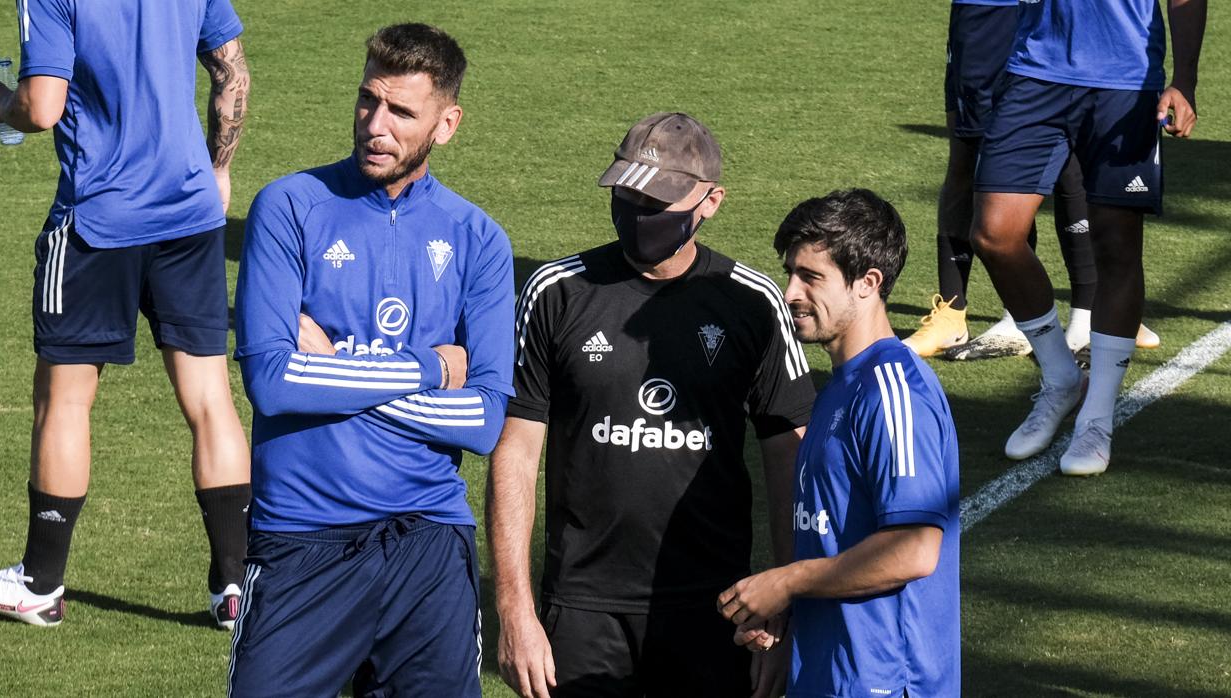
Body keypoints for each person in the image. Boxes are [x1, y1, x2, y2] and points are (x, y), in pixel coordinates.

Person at [228, 23, 512, 696]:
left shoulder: (479, 241)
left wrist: (331, 375)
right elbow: (272, 382)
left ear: (447, 124)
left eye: (401, 112)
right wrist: (431, 370)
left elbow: (482, 422)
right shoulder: (289, 208)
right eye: (367, 101)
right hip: (302, 542)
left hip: (430, 548)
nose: (375, 125)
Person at [489, 112, 815, 698]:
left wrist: (783, 602)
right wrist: (515, 608)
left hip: (717, 608)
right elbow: (516, 451)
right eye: (626, 193)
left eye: (656, 199)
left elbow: (789, 458)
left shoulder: (753, 302)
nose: (637, 212)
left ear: (710, 201)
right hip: (583, 607)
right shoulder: (556, 293)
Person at [0, 0, 252, 629]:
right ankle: (235, 590)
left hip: (97, 224)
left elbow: (41, 108)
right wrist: (219, 167)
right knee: (210, 399)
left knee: (64, 402)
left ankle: (41, 583)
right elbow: (232, 75)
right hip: (189, 214)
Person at [718, 190, 960, 698]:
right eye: (790, 273)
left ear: (869, 282)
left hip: (886, 682)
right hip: (833, 676)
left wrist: (787, 582)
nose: (790, 293)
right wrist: (787, 610)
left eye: (811, 276)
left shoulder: (895, 394)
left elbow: (914, 550)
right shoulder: (839, 387)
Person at [970, 0, 1206, 475]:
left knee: (1116, 247)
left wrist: (1184, 79)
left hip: (1125, 79)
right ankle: (1060, 377)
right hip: (1036, 68)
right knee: (995, 233)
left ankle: (1097, 418)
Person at [906, 0, 1158, 362]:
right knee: (970, 151)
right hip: (982, 12)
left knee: (1067, 163)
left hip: (1059, 23)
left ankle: (1090, 310)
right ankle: (962, 314)